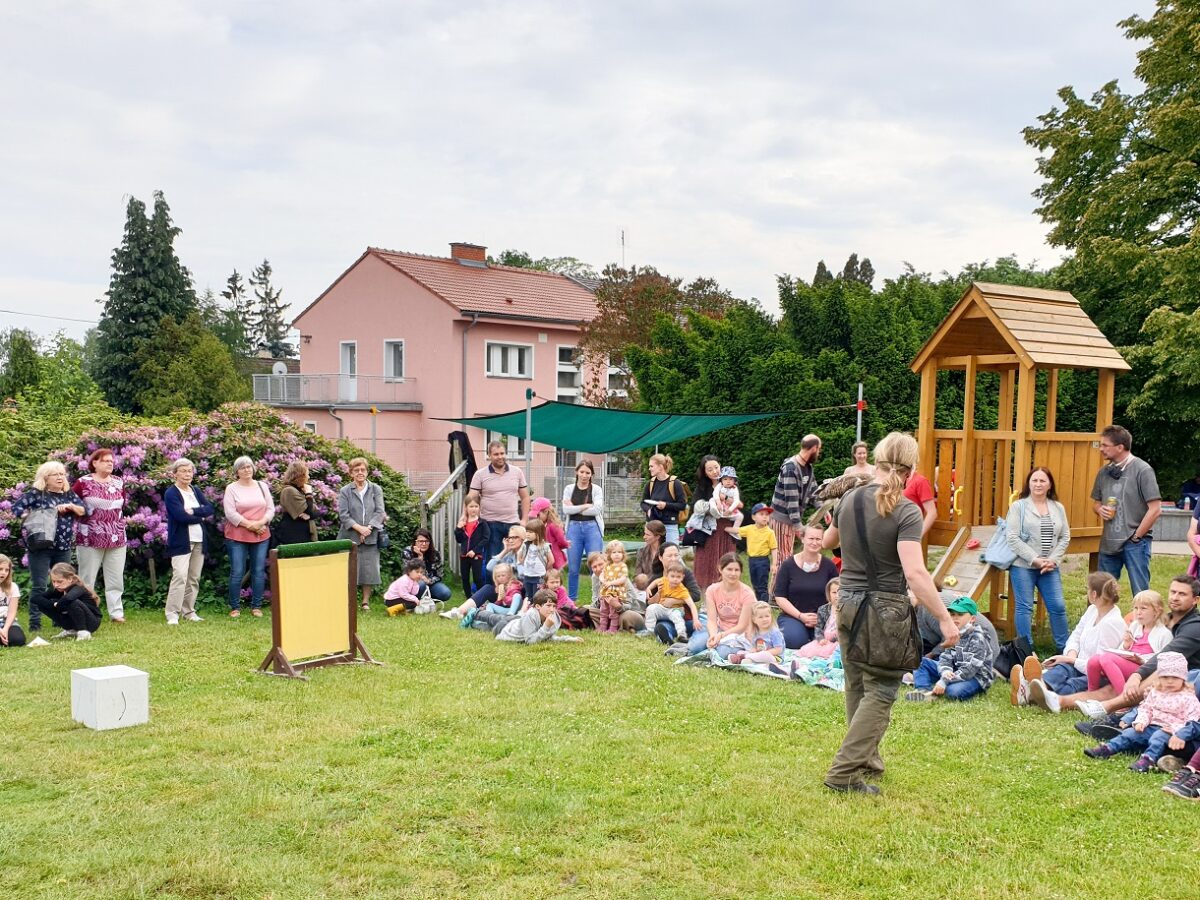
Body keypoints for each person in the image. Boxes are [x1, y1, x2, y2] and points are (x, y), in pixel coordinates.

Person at [822, 431, 959, 796]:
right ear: (911, 470)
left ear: (878, 461)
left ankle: (867, 759)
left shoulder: (849, 498)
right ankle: (844, 772)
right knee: (881, 690)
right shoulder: (906, 510)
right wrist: (945, 618)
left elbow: (826, 542)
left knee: (856, 684)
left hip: (847, 601)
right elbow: (914, 572)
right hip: (885, 608)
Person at [1023, 572, 1125, 713]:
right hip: (1078, 664)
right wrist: (1070, 656)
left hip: (1095, 675)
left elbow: (1099, 665)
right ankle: (1037, 686)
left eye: (1088, 590)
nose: (1087, 593)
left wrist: (1070, 660)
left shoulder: (1113, 623)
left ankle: (1032, 691)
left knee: (1071, 684)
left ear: (1094, 594)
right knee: (1061, 669)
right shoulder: (1092, 610)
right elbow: (1076, 635)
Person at [1082, 652, 1200, 773]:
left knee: (1157, 739)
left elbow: (1192, 719)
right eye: (1165, 677)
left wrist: (1176, 730)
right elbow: (1146, 708)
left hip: (1170, 731)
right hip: (1151, 725)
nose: (1170, 681)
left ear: (1183, 678)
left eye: (1175, 678)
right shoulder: (1155, 692)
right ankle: (1108, 749)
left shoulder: (1188, 698)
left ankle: (1148, 760)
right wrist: (1141, 721)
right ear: (1159, 677)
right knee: (1130, 733)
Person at [12, 461, 84, 634]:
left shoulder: (68, 494)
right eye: (55, 474)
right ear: (45, 478)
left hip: (63, 546)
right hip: (40, 546)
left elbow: (83, 510)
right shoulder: (37, 494)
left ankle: (59, 620)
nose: (60, 477)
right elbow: (17, 509)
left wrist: (71, 506)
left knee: (63, 585)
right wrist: (37, 515)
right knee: (39, 585)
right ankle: (35, 623)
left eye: (62, 474)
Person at [1005, 466, 1071, 652]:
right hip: (1023, 566)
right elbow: (1012, 537)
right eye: (1034, 480)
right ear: (1029, 483)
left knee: (1057, 605)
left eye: (1043, 480)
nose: (1038, 484)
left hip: (1049, 567)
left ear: (1050, 484)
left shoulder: (1058, 507)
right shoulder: (1019, 506)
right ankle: (1026, 651)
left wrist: (1053, 560)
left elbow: (1065, 536)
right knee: (1025, 607)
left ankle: (1065, 648)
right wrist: (1034, 559)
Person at [1091, 424, 1161, 596]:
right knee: (1103, 593)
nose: (1101, 449)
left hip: (1135, 543)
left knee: (1140, 594)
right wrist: (1100, 510)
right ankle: (1103, 623)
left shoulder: (1143, 470)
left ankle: (1143, 623)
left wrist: (1136, 537)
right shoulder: (1103, 473)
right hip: (1109, 542)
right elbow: (1096, 503)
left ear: (1120, 447)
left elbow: (1155, 509)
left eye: (1105, 445)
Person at [73, 448, 128, 624]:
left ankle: (116, 613)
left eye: (111, 461)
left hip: (116, 536)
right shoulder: (83, 482)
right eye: (105, 460)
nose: (110, 463)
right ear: (94, 463)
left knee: (115, 578)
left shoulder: (119, 482)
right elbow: (72, 505)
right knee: (87, 578)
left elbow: (121, 506)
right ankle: (86, 611)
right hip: (90, 537)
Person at [1083, 590, 1171, 697]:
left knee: (1106, 658)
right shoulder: (1135, 626)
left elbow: (1164, 661)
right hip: (1128, 663)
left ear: (1157, 611)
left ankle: (1124, 699)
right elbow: (1121, 651)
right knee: (1094, 660)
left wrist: (1142, 660)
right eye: (1136, 608)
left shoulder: (1164, 633)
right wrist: (1126, 644)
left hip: (1144, 670)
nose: (1138, 612)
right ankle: (1092, 694)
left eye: (1143, 608)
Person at [905, 597, 995, 702]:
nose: (955, 618)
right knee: (921, 661)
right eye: (952, 614)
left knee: (952, 692)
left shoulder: (978, 638)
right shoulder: (953, 633)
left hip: (976, 677)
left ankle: (972, 688)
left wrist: (944, 681)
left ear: (972, 619)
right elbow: (945, 657)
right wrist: (945, 671)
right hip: (955, 670)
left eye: (960, 615)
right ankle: (923, 690)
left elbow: (969, 670)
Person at [163, 457, 215, 625]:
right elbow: (179, 515)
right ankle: (172, 614)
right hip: (181, 541)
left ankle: (189, 611)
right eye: (183, 471)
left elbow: (209, 509)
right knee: (179, 576)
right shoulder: (171, 492)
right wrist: (200, 517)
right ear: (175, 474)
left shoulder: (195, 490)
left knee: (194, 578)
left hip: (199, 540)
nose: (187, 474)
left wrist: (193, 510)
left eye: (190, 471)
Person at [223, 455, 275, 618]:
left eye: (249, 466)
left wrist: (261, 523)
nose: (246, 470)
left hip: (261, 534)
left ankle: (256, 606)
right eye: (242, 467)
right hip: (237, 535)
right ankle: (235, 607)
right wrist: (251, 525)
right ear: (236, 471)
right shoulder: (231, 488)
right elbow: (230, 513)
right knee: (237, 571)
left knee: (258, 571)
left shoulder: (262, 486)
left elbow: (271, 509)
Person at [773, 525, 839, 649]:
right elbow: (780, 597)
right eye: (811, 538)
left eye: (818, 539)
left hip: (823, 618)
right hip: (793, 616)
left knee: (828, 643)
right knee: (795, 641)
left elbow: (837, 594)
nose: (814, 542)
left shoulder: (829, 566)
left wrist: (822, 618)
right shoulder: (788, 566)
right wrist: (801, 616)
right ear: (802, 538)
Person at [468, 441, 530, 568]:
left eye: (502, 453)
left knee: (517, 559)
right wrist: (466, 517)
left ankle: (514, 587)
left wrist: (524, 520)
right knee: (493, 559)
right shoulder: (480, 475)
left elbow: (525, 497)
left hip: (513, 523)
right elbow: (471, 498)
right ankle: (493, 587)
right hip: (490, 524)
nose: (500, 456)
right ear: (489, 455)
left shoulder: (517, 472)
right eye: (496, 454)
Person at [337, 457, 386, 612]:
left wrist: (369, 528)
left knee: (369, 570)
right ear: (351, 473)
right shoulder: (345, 491)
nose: (360, 472)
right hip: (350, 536)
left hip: (371, 535)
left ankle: (365, 602)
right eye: (356, 470)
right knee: (349, 570)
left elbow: (380, 511)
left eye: (362, 470)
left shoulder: (376, 489)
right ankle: (349, 601)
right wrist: (359, 529)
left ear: (367, 471)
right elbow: (344, 515)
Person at [687, 552, 755, 658]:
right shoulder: (712, 590)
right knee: (694, 648)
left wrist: (721, 636)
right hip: (720, 628)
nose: (733, 573)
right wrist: (714, 636)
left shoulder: (747, 594)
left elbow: (742, 626)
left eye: (736, 570)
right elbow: (711, 620)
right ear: (720, 569)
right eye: (729, 569)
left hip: (740, 634)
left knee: (721, 653)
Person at [769, 434, 822, 560]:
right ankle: (778, 580)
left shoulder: (808, 467)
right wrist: (798, 526)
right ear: (814, 448)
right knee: (782, 559)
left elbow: (814, 490)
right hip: (781, 520)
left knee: (787, 556)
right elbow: (791, 501)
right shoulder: (790, 468)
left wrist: (822, 509)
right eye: (819, 449)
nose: (819, 453)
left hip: (790, 520)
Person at [561, 460, 604, 601]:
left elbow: (597, 509)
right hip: (573, 529)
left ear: (592, 474)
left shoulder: (597, 489)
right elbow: (565, 510)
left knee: (596, 566)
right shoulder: (569, 489)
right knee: (573, 568)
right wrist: (585, 506)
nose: (584, 475)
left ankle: (599, 599)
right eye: (582, 472)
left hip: (592, 528)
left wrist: (575, 508)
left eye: (588, 473)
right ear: (576, 472)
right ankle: (571, 600)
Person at [692, 456, 737, 590]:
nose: (714, 471)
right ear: (705, 472)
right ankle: (707, 593)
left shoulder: (730, 484)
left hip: (726, 527)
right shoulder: (702, 487)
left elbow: (739, 504)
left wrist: (726, 499)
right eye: (710, 469)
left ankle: (726, 590)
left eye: (716, 467)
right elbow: (695, 507)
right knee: (707, 560)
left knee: (726, 558)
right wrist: (709, 508)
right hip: (708, 529)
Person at [646, 544, 703, 642]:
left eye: (676, 555)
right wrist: (658, 594)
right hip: (663, 616)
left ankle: (679, 635)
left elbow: (696, 595)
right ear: (660, 557)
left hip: (682, 616)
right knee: (662, 625)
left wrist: (674, 601)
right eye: (669, 556)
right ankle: (663, 634)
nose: (673, 559)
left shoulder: (684, 573)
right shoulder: (657, 577)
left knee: (692, 624)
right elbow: (648, 603)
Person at [38, 562, 101, 641]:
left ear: (70, 579)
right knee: (43, 604)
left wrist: (56, 605)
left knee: (71, 602)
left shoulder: (78, 588)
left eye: (59, 581)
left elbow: (68, 599)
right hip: (74, 619)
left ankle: (83, 632)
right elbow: (37, 599)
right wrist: (53, 604)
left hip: (92, 622)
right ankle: (70, 629)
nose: (56, 585)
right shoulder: (60, 588)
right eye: (53, 581)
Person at [496, 589, 581, 643]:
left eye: (554, 606)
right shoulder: (531, 615)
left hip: (518, 621)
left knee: (493, 618)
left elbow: (547, 638)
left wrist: (569, 639)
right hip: (505, 629)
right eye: (548, 605)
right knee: (489, 619)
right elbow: (530, 641)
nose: (552, 609)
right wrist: (546, 627)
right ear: (537, 606)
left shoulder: (553, 616)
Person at [641, 453, 688, 545]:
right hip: (652, 526)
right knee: (651, 555)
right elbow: (643, 502)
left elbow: (682, 505)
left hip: (669, 525)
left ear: (660, 467)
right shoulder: (650, 483)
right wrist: (648, 510)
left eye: (651, 466)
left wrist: (665, 505)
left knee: (672, 553)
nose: (649, 468)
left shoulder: (675, 483)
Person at [738, 503, 779, 602]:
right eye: (761, 514)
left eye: (767, 514)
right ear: (753, 517)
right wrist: (724, 528)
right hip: (752, 560)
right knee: (755, 584)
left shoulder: (770, 532)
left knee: (762, 585)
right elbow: (736, 530)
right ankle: (757, 604)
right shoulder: (750, 529)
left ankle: (764, 604)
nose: (765, 517)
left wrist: (774, 564)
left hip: (763, 561)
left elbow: (774, 548)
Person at [402, 528, 453, 605]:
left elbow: (439, 575)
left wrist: (429, 581)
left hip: (430, 582)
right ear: (415, 542)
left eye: (426, 541)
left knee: (446, 593)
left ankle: (426, 601)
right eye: (421, 541)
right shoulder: (407, 552)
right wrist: (420, 558)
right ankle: (410, 603)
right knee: (421, 585)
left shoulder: (435, 554)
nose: (424, 544)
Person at [455, 492, 490, 599]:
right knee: (465, 578)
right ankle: (468, 598)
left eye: (476, 506)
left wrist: (475, 550)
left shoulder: (482, 523)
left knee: (477, 578)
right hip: (464, 556)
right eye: (471, 506)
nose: (473, 509)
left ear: (479, 508)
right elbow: (459, 539)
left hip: (476, 556)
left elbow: (486, 538)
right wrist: (458, 529)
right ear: (466, 508)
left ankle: (480, 599)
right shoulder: (463, 523)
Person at [275, 461, 317, 545]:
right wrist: (309, 494)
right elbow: (310, 511)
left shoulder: (301, 490)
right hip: (294, 534)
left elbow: (314, 513)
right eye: (306, 474)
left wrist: (308, 513)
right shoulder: (289, 490)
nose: (308, 477)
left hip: (304, 533)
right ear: (300, 476)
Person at [797, 578, 840, 659]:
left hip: (838, 641)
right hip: (824, 640)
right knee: (809, 650)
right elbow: (818, 627)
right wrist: (821, 639)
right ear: (829, 594)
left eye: (840, 592)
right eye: (834, 592)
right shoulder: (823, 609)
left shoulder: (847, 610)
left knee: (836, 653)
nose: (837, 596)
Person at [597, 540, 631, 633]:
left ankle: (613, 628)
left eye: (619, 552)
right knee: (603, 610)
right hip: (606, 591)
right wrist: (603, 580)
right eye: (614, 552)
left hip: (616, 592)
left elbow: (623, 579)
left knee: (613, 612)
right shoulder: (608, 566)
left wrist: (611, 583)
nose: (617, 554)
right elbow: (602, 575)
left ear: (623, 554)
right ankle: (602, 627)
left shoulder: (622, 566)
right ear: (609, 555)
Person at [530, 497, 569, 573]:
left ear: (546, 512)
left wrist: (566, 544)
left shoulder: (553, 526)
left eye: (538, 515)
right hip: (545, 558)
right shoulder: (542, 526)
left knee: (553, 580)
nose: (536, 517)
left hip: (554, 559)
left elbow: (561, 540)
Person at [0, 554, 26, 648]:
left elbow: (12, 612)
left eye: (6, 570)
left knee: (18, 640)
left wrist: (5, 629)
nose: (3, 573)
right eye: (0, 569)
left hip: (6, 621)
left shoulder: (13, 586)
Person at [902, 468, 937, 538]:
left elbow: (932, 512)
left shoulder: (920, 481)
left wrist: (917, 536)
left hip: (908, 530)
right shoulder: (891, 478)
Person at [712, 466, 743, 531]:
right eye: (725, 479)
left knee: (740, 516)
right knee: (711, 500)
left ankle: (734, 530)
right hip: (719, 507)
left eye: (731, 479)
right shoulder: (720, 485)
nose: (728, 481)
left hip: (729, 510)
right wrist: (718, 503)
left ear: (734, 481)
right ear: (721, 480)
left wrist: (730, 510)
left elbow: (737, 501)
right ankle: (713, 523)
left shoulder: (734, 489)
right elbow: (715, 493)